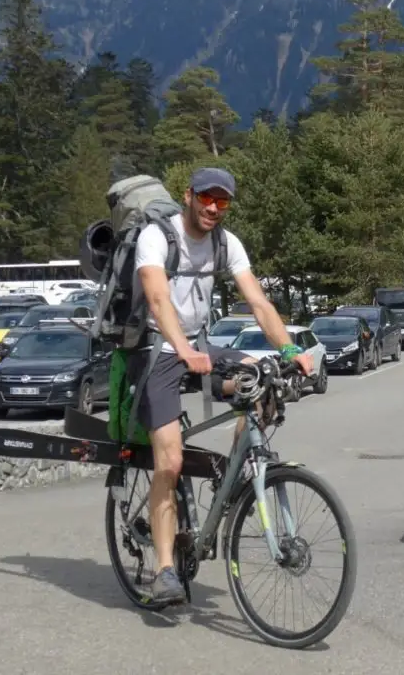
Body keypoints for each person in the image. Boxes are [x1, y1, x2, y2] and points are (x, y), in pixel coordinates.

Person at [131, 167, 315, 603]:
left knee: (265, 378)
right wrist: (183, 349)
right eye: (207, 198)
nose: (213, 208)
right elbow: (158, 299)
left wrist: (289, 352)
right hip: (156, 350)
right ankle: (164, 570)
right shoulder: (157, 237)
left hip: (198, 345)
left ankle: (231, 481)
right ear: (189, 196)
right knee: (170, 463)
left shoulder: (225, 242)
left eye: (223, 201)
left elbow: (258, 302)